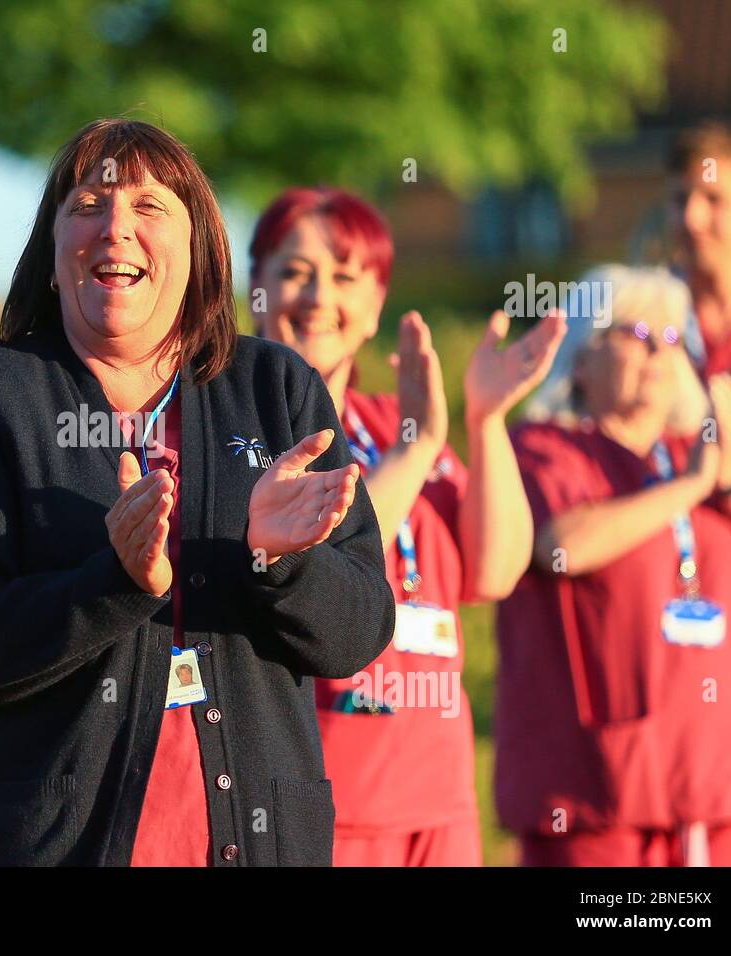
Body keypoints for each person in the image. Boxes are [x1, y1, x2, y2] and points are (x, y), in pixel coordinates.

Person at [0, 119, 395, 867]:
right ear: (50, 256)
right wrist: (113, 582)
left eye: (149, 208)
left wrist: (278, 561)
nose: (117, 228)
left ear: (199, 250)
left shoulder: (276, 389)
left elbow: (359, 631)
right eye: (90, 204)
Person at [248, 186, 566, 866]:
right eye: (294, 272)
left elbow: (496, 568)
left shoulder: (396, 420)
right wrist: (414, 456)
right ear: (255, 288)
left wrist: (484, 422)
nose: (317, 296)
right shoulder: (243, 433)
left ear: (374, 307)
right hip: (322, 804)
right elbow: (322, 568)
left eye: (344, 276)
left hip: (437, 804)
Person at [499, 265, 731, 866]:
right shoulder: (544, 447)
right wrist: (690, 487)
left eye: (673, 339)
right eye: (636, 332)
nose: (658, 352)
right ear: (582, 363)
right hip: (598, 805)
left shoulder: (705, 458)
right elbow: (559, 546)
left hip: (728, 799)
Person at [669, 121, 731, 464]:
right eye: (680, 200)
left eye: (713, 199)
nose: (692, 218)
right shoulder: (642, 316)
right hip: (663, 512)